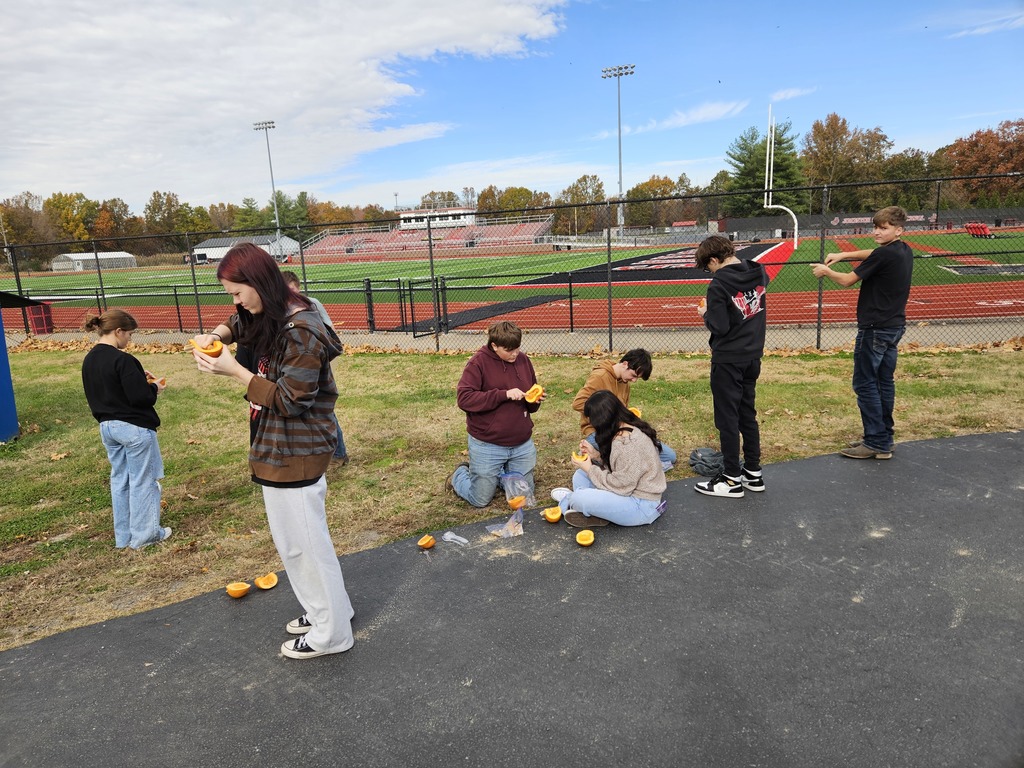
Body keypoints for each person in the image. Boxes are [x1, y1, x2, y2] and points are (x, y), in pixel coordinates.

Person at [192, 243, 354, 660]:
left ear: (258, 283)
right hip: (281, 446)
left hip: (295, 448)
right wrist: (217, 336)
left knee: (303, 546)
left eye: (236, 291)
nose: (235, 301)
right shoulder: (276, 309)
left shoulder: (300, 330)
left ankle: (331, 633)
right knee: (301, 544)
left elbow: (291, 399)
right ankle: (331, 613)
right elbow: (239, 321)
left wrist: (235, 371)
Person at [811, 206, 913, 459]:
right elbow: (875, 253)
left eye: (884, 228)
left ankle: (876, 441)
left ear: (898, 230)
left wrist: (826, 271)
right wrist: (844, 254)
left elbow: (847, 280)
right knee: (883, 382)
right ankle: (883, 438)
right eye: (876, 227)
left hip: (874, 328)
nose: (877, 232)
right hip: (894, 326)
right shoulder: (902, 249)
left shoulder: (884, 255)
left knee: (866, 383)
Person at [81, 309, 171, 548]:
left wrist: (139, 378)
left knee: (121, 481)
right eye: (129, 334)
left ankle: (124, 537)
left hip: (108, 428)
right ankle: (145, 536)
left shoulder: (90, 359)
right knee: (143, 481)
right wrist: (154, 389)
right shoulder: (123, 360)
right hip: (134, 428)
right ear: (118, 331)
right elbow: (141, 398)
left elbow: (110, 388)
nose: (130, 339)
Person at [693, 234, 768, 498]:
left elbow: (721, 326)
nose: (709, 271)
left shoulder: (718, 285)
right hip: (752, 354)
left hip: (728, 358)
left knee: (727, 418)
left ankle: (731, 478)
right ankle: (753, 473)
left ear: (714, 259)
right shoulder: (759, 272)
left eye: (708, 266)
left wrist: (706, 315)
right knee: (747, 413)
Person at [447, 320, 543, 507]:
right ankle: (459, 475)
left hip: (520, 442)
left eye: (517, 348)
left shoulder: (523, 360)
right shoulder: (478, 363)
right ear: (494, 346)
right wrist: (503, 395)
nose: (515, 353)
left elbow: (530, 402)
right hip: (488, 443)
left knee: (523, 497)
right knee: (480, 499)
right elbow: (465, 399)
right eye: (509, 350)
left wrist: (534, 400)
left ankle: (499, 475)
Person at [550, 390, 666, 527]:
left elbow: (621, 487)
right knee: (580, 475)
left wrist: (590, 468)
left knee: (578, 498)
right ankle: (598, 513)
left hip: (641, 505)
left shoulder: (628, 445)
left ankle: (569, 501)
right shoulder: (627, 427)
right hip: (629, 490)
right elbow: (620, 467)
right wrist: (596, 456)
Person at [281, 270, 349, 467]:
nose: (290, 296)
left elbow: (329, 334)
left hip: (315, 363)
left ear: (298, 288)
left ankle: (338, 454)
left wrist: (320, 356)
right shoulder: (279, 309)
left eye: (292, 290)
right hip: (293, 365)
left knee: (322, 409)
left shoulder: (312, 304)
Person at [571, 348, 677, 471]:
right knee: (626, 462)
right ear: (625, 364)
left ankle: (627, 465)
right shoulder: (600, 377)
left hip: (620, 430)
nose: (634, 380)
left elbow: (621, 411)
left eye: (637, 378)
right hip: (599, 432)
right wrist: (605, 412)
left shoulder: (624, 382)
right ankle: (595, 454)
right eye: (633, 375)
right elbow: (577, 403)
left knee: (669, 456)